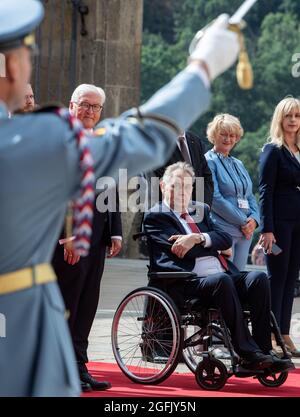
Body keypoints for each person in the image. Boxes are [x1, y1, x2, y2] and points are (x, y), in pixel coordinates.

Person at [0, 0, 241, 396]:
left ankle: (77, 363)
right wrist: (203, 66)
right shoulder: (40, 140)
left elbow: (106, 187)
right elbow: (139, 137)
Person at [143, 162, 292, 372]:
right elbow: (181, 251)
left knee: (257, 279)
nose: (182, 192)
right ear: (162, 186)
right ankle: (247, 353)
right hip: (188, 281)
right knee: (221, 281)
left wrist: (196, 238)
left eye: (187, 186)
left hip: (222, 275)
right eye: (175, 186)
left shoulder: (201, 210)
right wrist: (211, 245)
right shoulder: (156, 216)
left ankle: (263, 350)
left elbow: (224, 239)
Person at [52, 84, 122, 392]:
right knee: (68, 302)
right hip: (70, 237)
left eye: (95, 107)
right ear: (71, 105)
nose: (90, 111)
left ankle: (79, 366)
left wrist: (115, 231)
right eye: (84, 105)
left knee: (87, 302)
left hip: (97, 236)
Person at [259, 97, 300, 357]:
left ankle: (284, 332)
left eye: (297, 115)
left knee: (291, 282)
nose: (293, 120)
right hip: (279, 226)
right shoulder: (272, 150)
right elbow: (265, 190)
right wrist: (267, 229)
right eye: (289, 116)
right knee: (277, 280)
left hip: (299, 226)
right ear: (280, 119)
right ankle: (271, 334)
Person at [205, 114, 260, 270]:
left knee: (239, 281)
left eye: (232, 135)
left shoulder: (239, 163)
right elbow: (215, 199)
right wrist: (244, 221)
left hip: (245, 234)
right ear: (214, 135)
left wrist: (255, 220)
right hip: (223, 231)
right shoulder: (208, 161)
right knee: (226, 280)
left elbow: (249, 195)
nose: (228, 139)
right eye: (223, 134)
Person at [147, 131, 214, 207]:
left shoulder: (195, 141)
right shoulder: (158, 141)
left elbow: (206, 177)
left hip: (197, 211)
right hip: (169, 211)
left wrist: (202, 206)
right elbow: (159, 177)